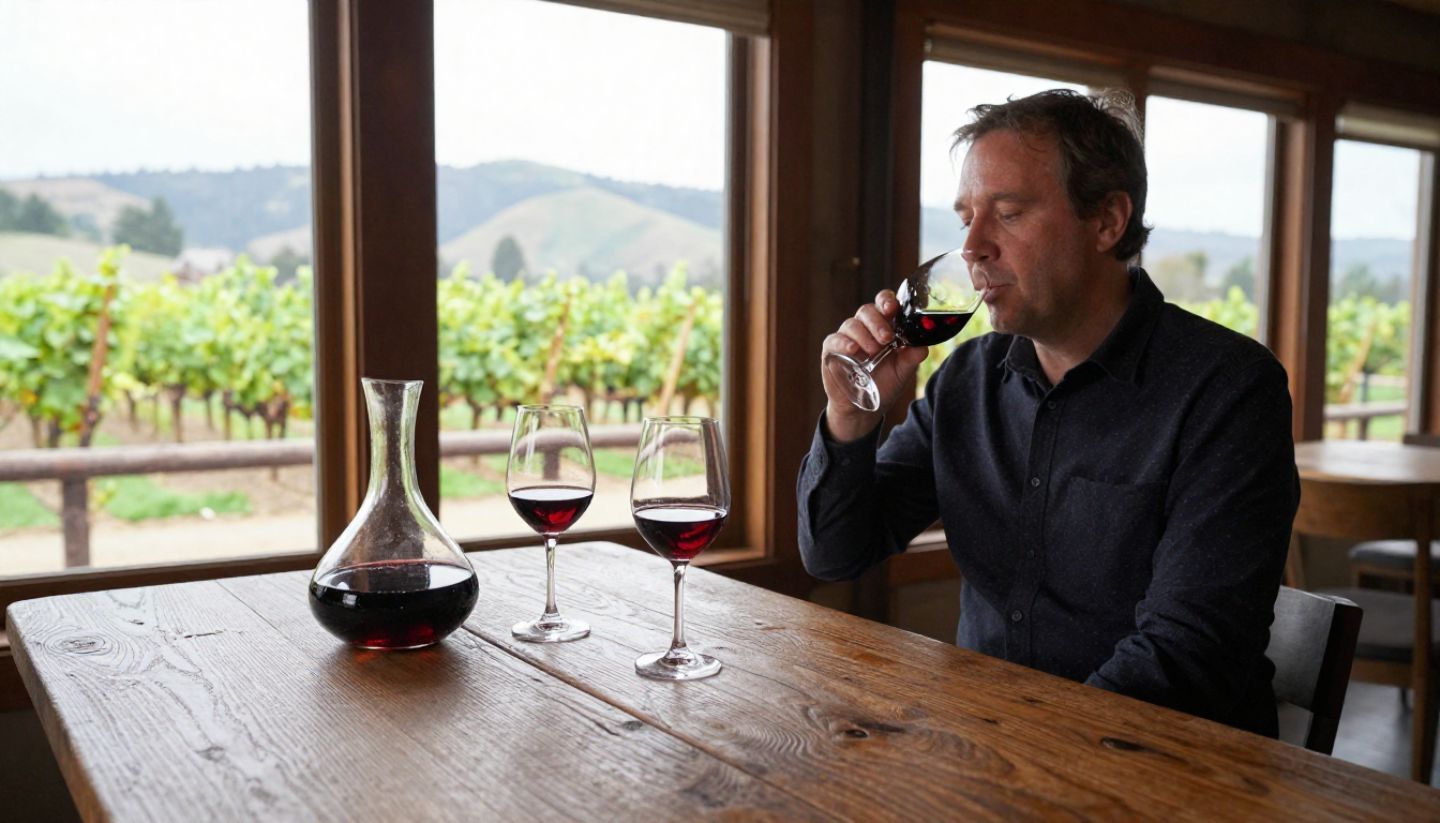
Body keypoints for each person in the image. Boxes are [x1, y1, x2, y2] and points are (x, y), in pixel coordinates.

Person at [797, 89, 1299, 736]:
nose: (973, 245)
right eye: (965, 218)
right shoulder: (966, 381)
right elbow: (835, 553)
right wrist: (850, 417)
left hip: (1166, 776)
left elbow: (1188, 657)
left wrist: (1028, 749)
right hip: (990, 755)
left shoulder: (1229, 391)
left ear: (1107, 222)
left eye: (1006, 214)